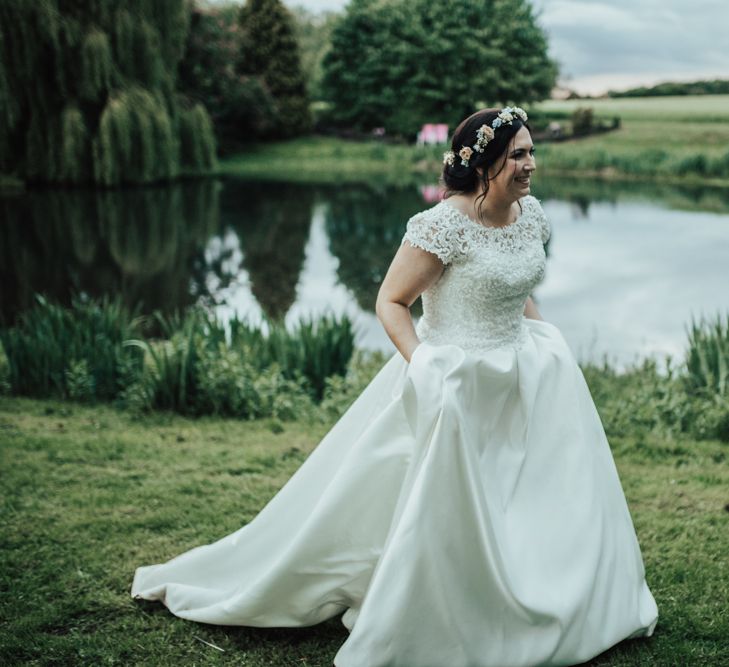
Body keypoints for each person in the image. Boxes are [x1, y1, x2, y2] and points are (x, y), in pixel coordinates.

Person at [131, 106, 659, 666]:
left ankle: (542, 592)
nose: (532, 163)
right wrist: (424, 365)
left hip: (525, 373)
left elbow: (518, 286)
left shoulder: (530, 216)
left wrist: (540, 332)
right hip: (455, 375)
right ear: (483, 163)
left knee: (534, 493)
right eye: (519, 154)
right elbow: (391, 302)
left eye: (532, 151)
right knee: (438, 503)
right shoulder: (441, 225)